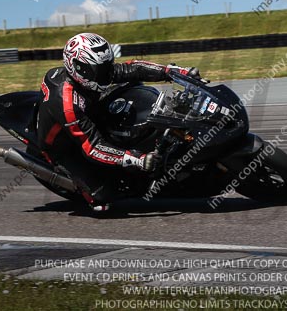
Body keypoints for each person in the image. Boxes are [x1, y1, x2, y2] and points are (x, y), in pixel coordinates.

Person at [36, 32, 200, 211]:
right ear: (79, 68)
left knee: (132, 87)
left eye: (108, 66)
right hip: (66, 146)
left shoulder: (94, 75)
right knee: (104, 199)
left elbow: (134, 68)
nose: (108, 73)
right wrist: (135, 159)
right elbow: (93, 147)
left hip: (89, 113)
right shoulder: (68, 103)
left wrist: (173, 72)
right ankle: (87, 188)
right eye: (100, 70)